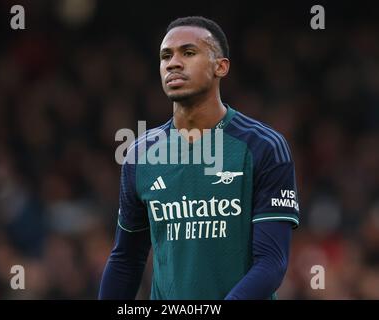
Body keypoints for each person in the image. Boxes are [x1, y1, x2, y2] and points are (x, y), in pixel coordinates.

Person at [99, 16, 299, 300]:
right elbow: (126, 260)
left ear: (221, 66)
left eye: (188, 53)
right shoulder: (140, 155)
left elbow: (271, 263)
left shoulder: (264, 147)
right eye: (166, 56)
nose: (173, 63)